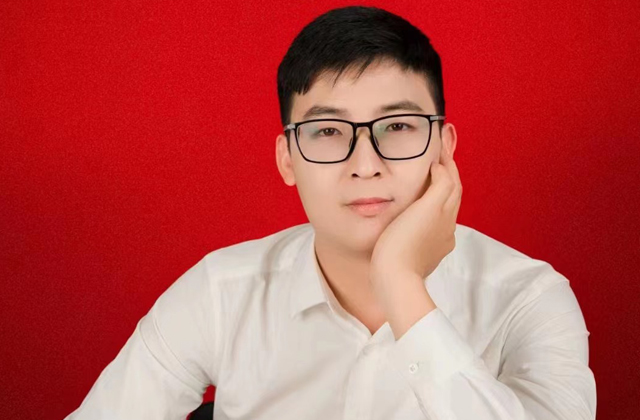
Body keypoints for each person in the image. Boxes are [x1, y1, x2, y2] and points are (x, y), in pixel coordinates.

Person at [65, 6, 596, 420]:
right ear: (287, 159)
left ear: (444, 148)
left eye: (398, 126)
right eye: (327, 131)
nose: (366, 166)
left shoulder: (528, 300)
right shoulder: (221, 294)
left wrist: (401, 283)